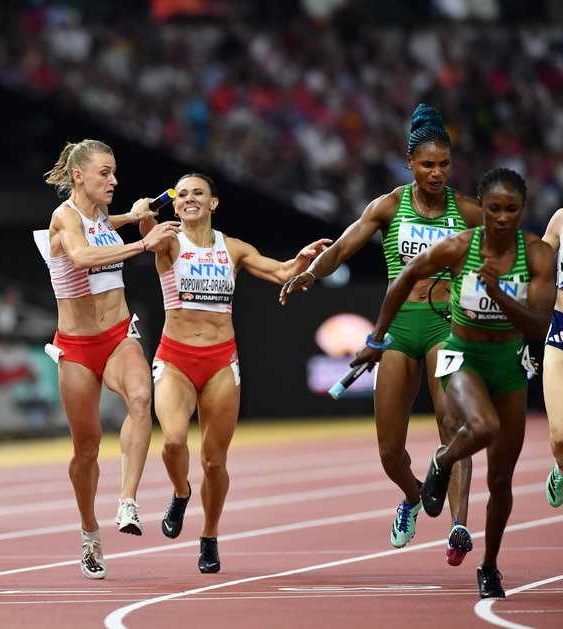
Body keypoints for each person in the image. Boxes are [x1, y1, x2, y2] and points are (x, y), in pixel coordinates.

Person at [280, 104, 482, 565]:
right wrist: (309, 275)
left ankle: (459, 527)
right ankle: (413, 496)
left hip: (444, 327)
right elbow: (343, 247)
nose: (437, 173)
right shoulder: (389, 205)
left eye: (445, 165)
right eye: (428, 164)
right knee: (391, 450)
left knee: (453, 425)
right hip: (396, 330)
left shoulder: (468, 210)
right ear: (410, 163)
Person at [352, 168, 554, 599]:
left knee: (501, 480)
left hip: (507, 365)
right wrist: (375, 339)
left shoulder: (536, 255)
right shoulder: (460, 246)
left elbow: (538, 324)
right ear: (480, 209)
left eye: (511, 210)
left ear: (522, 211)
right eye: (493, 209)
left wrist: (499, 295)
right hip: (462, 355)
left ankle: (489, 565)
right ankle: (443, 461)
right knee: (482, 427)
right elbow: (404, 277)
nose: (501, 218)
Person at [144, 173, 330, 573]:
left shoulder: (235, 248)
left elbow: (281, 273)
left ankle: (209, 537)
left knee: (215, 461)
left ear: (213, 203)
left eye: (199, 193)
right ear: (174, 205)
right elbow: (147, 234)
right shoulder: (169, 240)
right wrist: (144, 215)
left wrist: (300, 260)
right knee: (173, 442)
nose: (190, 198)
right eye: (183, 194)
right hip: (175, 358)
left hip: (220, 362)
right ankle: (180, 492)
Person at [38, 138, 180, 579]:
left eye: (115, 172)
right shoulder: (64, 217)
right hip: (77, 349)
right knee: (86, 450)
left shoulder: (100, 215)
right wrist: (143, 243)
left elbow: (104, 224)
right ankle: (89, 533)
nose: (114, 180)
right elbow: (80, 255)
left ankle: (128, 501)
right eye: (105, 173)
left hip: (119, 335)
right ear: (78, 176)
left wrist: (135, 217)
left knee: (141, 399)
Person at [541, 208, 563, 506]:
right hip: (560, 332)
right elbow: (537, 259)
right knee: (559, 438)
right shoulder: (560, 218)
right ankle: (560, 468)